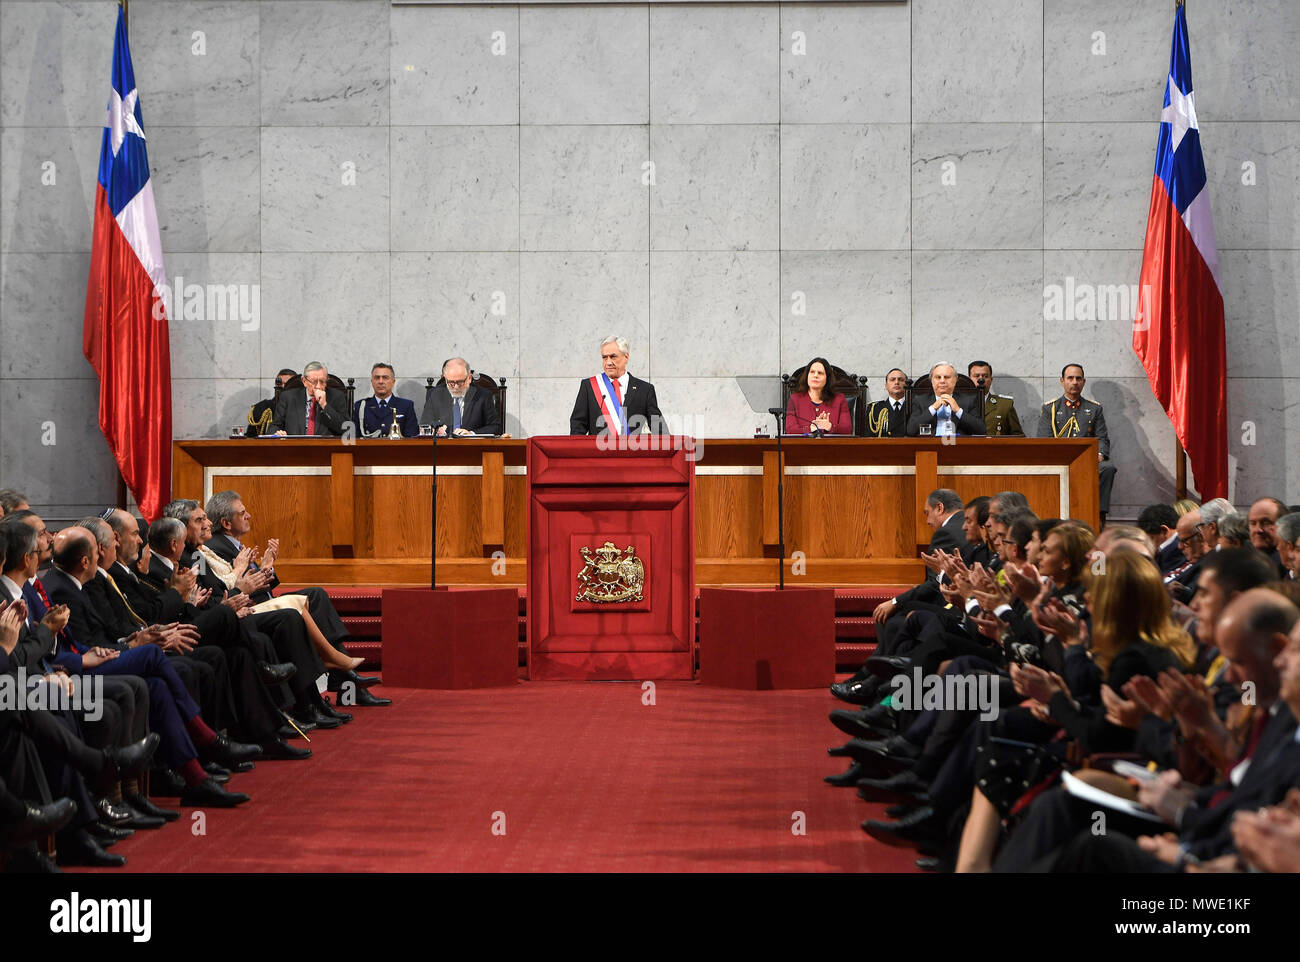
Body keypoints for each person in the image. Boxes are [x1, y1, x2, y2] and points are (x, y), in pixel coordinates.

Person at [1038, 363, 1115, 523]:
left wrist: (1099, 455)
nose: (1074, 382)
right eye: (1070, 378)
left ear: (1084, 382)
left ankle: (1098, 516)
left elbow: (1102, 437)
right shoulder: (1050, 408)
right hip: (1058, 462)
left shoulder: (1094, 409)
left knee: (1107, 469)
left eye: (1078, 378)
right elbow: (1044, 440)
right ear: (1062, 381)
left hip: (1087, 461)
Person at [569, 335, 664, 436]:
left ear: (626, 357)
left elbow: (658, 429)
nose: (608, 362)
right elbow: (577, 427)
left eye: (613, 357)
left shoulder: (645, 390)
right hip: (597, 450)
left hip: (630, 450)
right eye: (604, 357)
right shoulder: (589, 386)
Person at [420, 357, 502, 437]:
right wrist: (435, 430)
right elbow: (425, 425)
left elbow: (495, 427)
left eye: (460, 382)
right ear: (445, 379)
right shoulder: (435, 394)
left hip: (472, 447)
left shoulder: (483, 395)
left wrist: (471, 433)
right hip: (442, 447)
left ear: (469, 378)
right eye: (451, 382)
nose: (456, 387)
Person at [270, 361, 349, 437]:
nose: (318, 386)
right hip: (294, 446)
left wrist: (325, 406)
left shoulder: (337, 396)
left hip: (324, 447)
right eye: (314, 381)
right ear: (304, 381)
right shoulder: (288, 397)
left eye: (322, 381)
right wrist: (277, 432)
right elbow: (274, 426)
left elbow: (347, 429)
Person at [905, 362, 984, 437]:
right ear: (932, 381)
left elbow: (981, 430)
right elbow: (911, 431)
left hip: (959, 446)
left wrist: (958, 410)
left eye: (947, 377)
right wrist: (933, 408)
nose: (942, 381)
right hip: (930, 446)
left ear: (955, 380)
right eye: (938, 377)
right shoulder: (920, 401)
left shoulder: (969, 400)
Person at [784, 357, 851, 436]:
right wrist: (810, 428)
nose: (815, 375)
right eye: (812, 372)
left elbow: (847, 429)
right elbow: (790, 429)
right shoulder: (795, 399)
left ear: (827, 378)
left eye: (820, 373)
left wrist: (830, 426)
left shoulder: (839, 399)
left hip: (832, 446)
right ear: (807, 376)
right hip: (803, 446)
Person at [354, 362, 419, 438]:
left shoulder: (405, 406)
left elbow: (412, 438)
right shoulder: (361, 406)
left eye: (385, 377)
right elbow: (355, 438)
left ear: (393, 382)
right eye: (377, 378)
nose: (381, 382)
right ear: (372, 382)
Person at [967, 361, 1023, 437]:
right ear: (969, 379)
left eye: (985, 376)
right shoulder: (959, 404)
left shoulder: (1004, 405)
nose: (981, 380)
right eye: (976, 376)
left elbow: (1018, 437)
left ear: (991, 380)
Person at [246, 369, 297, 437]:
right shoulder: (262, 409)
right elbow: (250, 437)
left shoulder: (304, 408)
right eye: (279, 383)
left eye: (287, 384)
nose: (282, 386)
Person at [864, 368, 908, 438]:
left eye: (901, 380)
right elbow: (868, 438)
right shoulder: (874, 409)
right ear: (886, 386)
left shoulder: (914, 407)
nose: (896, 382)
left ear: (907, 385)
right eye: (892, 379)